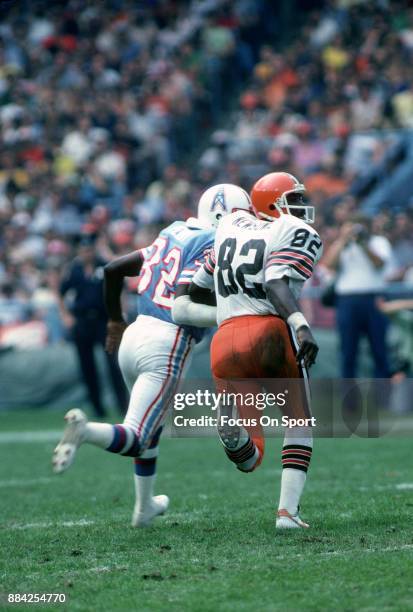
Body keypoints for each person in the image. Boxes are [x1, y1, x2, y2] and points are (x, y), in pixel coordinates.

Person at [52, 184, 253, 527]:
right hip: (167, 342)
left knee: (152, 428)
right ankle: (84, 431)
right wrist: (235, 313)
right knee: (137, 437)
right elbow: (182, 309)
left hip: (134, 335)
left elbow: (114, 268)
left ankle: (144, 507)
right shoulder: (214, 243)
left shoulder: (173, 231)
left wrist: (115, 320)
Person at [173, 172, 323, 529]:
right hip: (269, 332)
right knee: (300, 422)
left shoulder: (228, 230)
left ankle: (235, 433)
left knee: (249, 457)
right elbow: (275, 282)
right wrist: (301, 324)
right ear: (273, 203)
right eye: (295, 199)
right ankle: (287, 513)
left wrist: (227, 305)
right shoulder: (289, 230)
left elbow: (191, 290)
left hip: (225, 339)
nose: (301, 207)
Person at [58, 233, 128, 418]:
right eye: (83, 250)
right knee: (87, 367)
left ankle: (123, 406)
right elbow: (61, 291)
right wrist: (65, 315)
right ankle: (98, 409)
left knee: (113, 365)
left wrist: (119, 315)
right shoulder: (74, 270)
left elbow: (120, 288)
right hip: (82, 322)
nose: (86, 253)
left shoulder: (104, 266)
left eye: (89, 249)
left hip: (103, 321)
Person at [323, 216, 392, 378]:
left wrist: (363, 244)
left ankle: (383, 395)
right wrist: (342, 241)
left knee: (379, 350)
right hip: (347, 301)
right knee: (348, 351)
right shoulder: (341, 245)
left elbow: (379, 263)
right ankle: (349, 399)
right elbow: (329, 265)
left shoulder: (378, 242)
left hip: (373, 299)